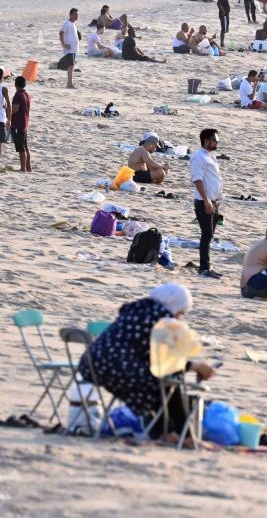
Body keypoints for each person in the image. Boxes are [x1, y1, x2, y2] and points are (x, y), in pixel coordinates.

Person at [79, 284, 216, 439]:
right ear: (174, 308)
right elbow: (167, 364)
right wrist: (197, 366)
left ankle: (169, 432)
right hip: (117, 369)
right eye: (181, 312)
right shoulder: (162, 320)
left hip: (90, 365)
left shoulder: (138, 310)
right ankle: (181, 436)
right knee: (169, 382)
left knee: (162, 380)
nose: (179, 317)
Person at [190, 128, 222, 279]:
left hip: (213, 201)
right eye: (215, 140)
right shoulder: (198, 156)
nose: (217, 142)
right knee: (206, 234)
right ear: (206, 141)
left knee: (210, 235)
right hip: (204, 202)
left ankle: (207, 266)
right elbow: (197, 179)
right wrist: (206, 200)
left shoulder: (210, 156)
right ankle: (204, 268)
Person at [10, 76, 31, 172]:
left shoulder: (17, 95)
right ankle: (28, 167)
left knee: (21, 147)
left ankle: (23, 168)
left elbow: (15, 110)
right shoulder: (27, 94)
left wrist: (8, 114)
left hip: (18, 124)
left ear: (16, 85)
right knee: (25, 147)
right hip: (25, 123)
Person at [58, 7, 79, 89]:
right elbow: (61, 33)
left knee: (72, 65)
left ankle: (69, 83)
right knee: (71, 65)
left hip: (73, 49)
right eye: (75, 14)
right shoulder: (67, 23)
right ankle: (69, 84)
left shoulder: (73, 23)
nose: (77, 16)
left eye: (77, 14)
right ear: (71, 15)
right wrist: (63, 44)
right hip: (69, 49)